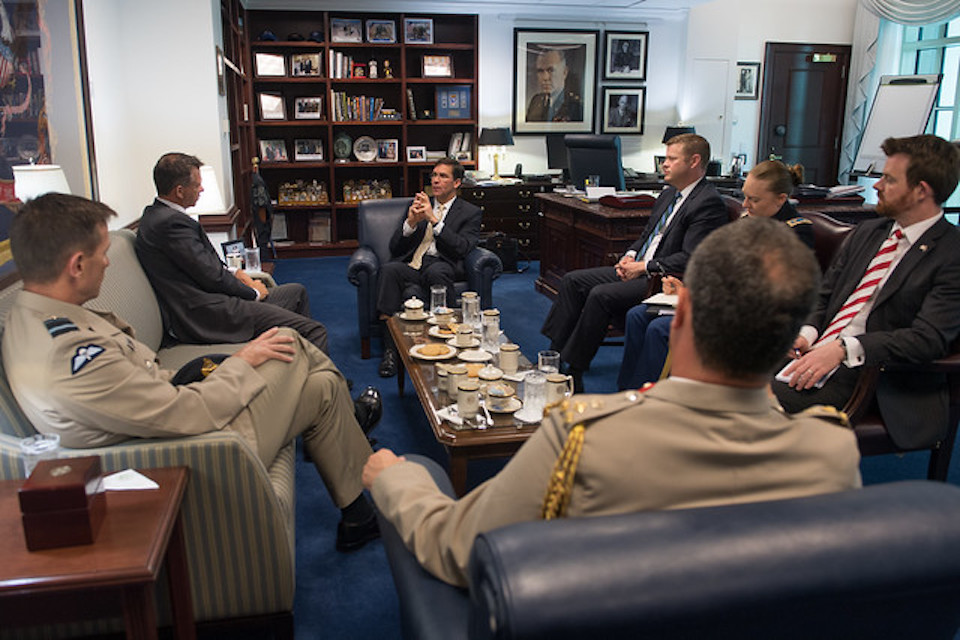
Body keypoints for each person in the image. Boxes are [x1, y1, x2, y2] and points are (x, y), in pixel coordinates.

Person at [363, 218, 861, 587]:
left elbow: (457, 548)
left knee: (418, 472)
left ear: (679, 308)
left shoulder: (584, 437)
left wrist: (396, 479)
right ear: (794, 336)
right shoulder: (832, 452)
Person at [3, 193, 380, 552]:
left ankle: (357, 517)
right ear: (77, 265)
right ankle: (364, 433)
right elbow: (188, 413)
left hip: (175, 427)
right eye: (103, 254)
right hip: (200, 451)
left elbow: (144, 391)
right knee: (288, 339)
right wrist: (241, 362)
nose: (108, 262)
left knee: (322, 386)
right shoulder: (68, 353)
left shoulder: (35, 316)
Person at [136, 153, 384, 428]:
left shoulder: (161, 216)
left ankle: (316, 378)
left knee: (296, 293)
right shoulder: (170, 224)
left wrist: (239, 274)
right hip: (207, 312)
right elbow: (210, 277)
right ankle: (336, 416)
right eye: (197, 184)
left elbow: (204, 268)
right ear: (179, 190)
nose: (202, 188)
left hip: (213, 299)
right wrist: (253, 292)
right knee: (315, 331)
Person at [773, 134, 960, 451]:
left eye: (888, 179)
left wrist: (845, 348)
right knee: (716, 373)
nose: (876, 186)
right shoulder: (870, 232)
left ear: (921, 191)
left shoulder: (952, 253)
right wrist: (806, 333)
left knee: (748, 399)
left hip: (875, 377)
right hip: (814, 353)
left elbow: (927, 339)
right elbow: (824, 296)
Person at [541, 133, 729, 391]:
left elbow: (689, 257)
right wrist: (631, 255)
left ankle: (575, 369)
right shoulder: (667, 195)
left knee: (600, 295)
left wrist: (643, 267)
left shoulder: (707, 202)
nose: (664, 164)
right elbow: (646, 236)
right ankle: (555, 354)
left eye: (672, 159)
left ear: (694, 161)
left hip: (663, 280)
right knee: (573, 280)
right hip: (640, 267)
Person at [617, 159, 813, 390]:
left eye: (754, 199)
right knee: (638, 315)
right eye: (744, 196)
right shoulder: (748, 220)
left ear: (781, 199)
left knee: (660, 329)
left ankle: (651, 402)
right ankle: (629, 392)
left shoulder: (795, 232)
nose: (745, 205)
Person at [377, 158, 481, 377]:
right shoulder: (418, 205)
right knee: (388, 269)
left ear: (457, 183)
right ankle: (391, 352)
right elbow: (395, 247)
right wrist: (410, 224)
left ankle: (449, 343)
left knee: (437, 272)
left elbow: (462, 248)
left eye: (443, 176)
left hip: (442, 263)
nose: (435, 180)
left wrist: (434, 220)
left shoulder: (470, 212)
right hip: (414, 264)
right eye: (434, 175)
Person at [525, 48, 583, 123]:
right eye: (540, 71)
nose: (545, 78)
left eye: (550, 70)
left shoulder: (575, 105)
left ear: (564, 72)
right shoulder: (536, 101)